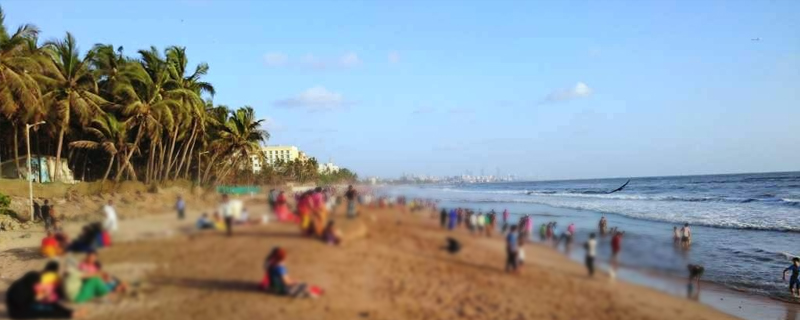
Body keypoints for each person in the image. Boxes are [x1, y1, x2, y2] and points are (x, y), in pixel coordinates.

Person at [6, 271, 79, 319]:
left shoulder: (27, 284)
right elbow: (23, 304)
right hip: (18, 313)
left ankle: (69, 312)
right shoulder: (20, 290)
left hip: (25, 305)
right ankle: (68, 314)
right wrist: (39, 298)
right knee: (46, 311)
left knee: (49, 303)